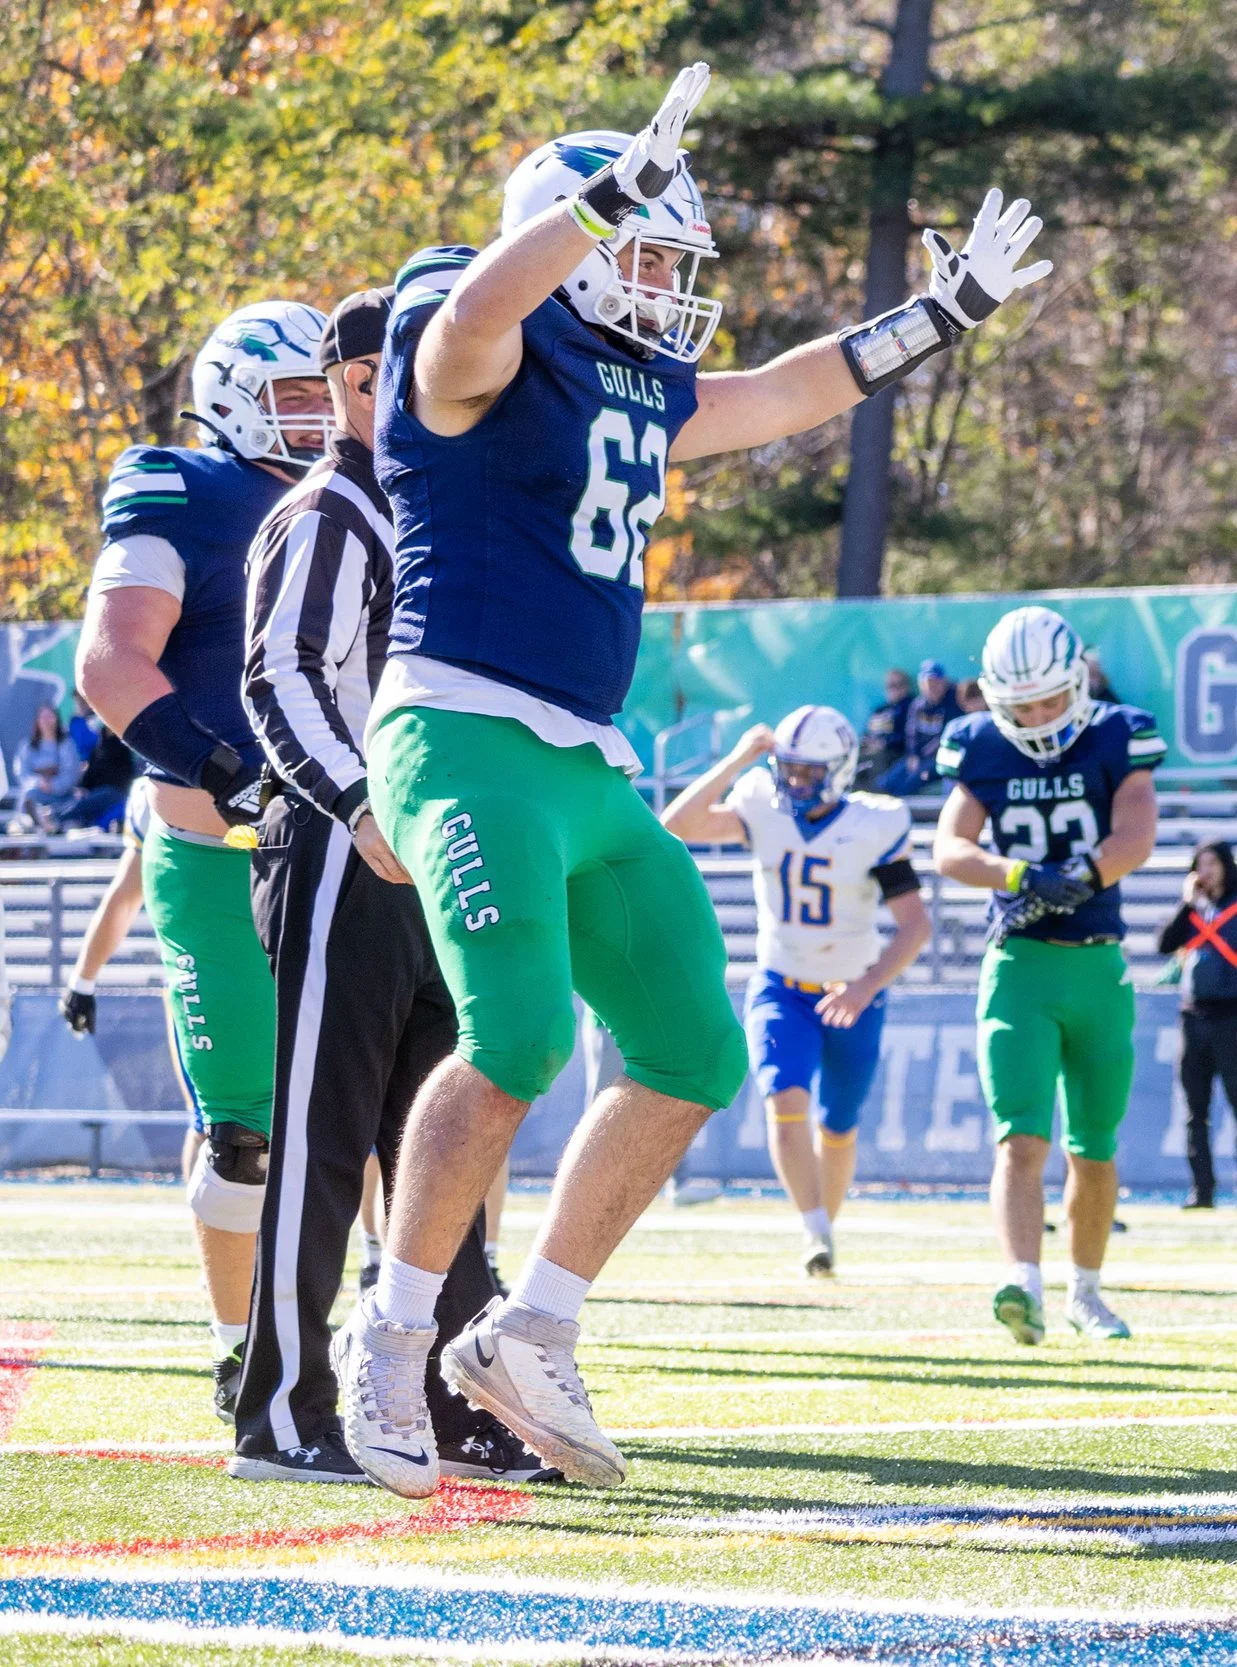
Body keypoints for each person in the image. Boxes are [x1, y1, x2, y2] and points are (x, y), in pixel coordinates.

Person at [331, 63, 1050, 1500]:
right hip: (461, 728)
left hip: (587, 756)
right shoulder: (474, 342)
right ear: (574, 239)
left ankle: (531, 1325)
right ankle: (392, 1333)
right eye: (643, 254)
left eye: (668, 258)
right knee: (519, 1034)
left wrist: (942, 313)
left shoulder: (630, 378)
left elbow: (783, 392)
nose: (663, 284)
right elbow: (479, 311)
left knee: (696, 1050)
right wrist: (597, 204)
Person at [232, 288, 544, 1486]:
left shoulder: (429, 503)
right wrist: (361, 804)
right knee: (321, 1140)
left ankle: (448, 1401)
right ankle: (280, 1410)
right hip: (340, 849)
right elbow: (280, 674)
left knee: (438, 1145)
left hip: (431, 851)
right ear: (362, 381)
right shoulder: (331, 509)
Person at [75, 298, 334, 1425]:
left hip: (354, 837)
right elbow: (111, 661)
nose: (317, 414)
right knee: (244, 1135)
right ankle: (242, 1350)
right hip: (217, 841)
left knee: (393, 1103)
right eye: (293, 395)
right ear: (231, 397)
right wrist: (220, 765)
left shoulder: (375, 487)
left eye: (327, 391)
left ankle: (406, 1330)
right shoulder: (180, 487)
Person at [932, 606, 1162, 1344]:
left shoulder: (1117, 733)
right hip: (1019, 965)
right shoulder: (980, 744)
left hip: (1098, 964)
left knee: (1093, 1146)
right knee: (1020, 1138)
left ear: (1078, 683)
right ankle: (1023, 1282)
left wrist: (1084, 874)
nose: (1035, 716)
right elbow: (949, 848)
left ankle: (1086, 1293)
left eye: (1049, 699)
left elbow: (1137, 833)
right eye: (1021, 704)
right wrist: (1020, 874)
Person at [661, 705, 931, 1277]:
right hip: (781, 985)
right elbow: (677, 825)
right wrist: (737, 760)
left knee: (838, 1125)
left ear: (840, 769)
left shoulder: (874, 823)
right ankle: (813, 1231)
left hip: (854, 991)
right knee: (784, 1098)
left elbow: (915, 926)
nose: (795, 781)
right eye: (788, 768)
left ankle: (823, 1228)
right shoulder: (763, 804)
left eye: (809, 771)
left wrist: (865, 987)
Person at [1156, 840, 1237, 1209]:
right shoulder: (1194, 909)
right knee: (1195, 1111)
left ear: (1226, 866)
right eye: (1200, 864)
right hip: (1194, 1018)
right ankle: (1202, 1189)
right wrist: (1187, 903)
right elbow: (1165, 944)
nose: (1205, 871)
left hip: (1234, 1017)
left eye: (1212, 864)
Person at [57, 780, 152, 1039]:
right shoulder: (156, 794)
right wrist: (83, 982)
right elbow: (127, 897)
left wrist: (83, 981)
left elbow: (126, 898)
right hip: (202, 968)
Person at [878, 659, 963, 795]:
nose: (932, 687)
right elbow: (911, 734)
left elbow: (945, 736)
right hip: (919, 757)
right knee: (887, 782)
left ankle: (900, 803)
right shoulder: (918, 705)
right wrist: (913, 755)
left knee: (909, 784)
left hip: (939, 758)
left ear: (944, 682)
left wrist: (921, 757)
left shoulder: (954, 704)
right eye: (928, 683)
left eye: (936, 682)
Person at [12, 704, 81, 832]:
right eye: (43, 717)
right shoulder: (27, 747)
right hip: (36, 793)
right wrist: (39, 782)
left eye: (50, 717)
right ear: (37, 721)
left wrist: (53, 785)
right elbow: (22, 773)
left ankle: (51, 821)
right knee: (28, 795)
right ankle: (29, 821)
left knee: (72, 803)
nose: (47, 721)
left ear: (57, 719)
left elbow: (71, 773)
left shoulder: (66, 745)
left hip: (62, 796)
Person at [861, 668, 912, 781]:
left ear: (907, 687)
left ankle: (877, 789)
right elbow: (867, 732)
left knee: (876, 759)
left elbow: (909, 736)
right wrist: (867, 742)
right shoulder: (880, 709)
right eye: (890, 685)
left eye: (898, 685)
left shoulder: (910, 707)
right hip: (871, 749)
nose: (894, 689)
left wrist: (884, 743)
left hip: (892, 752)